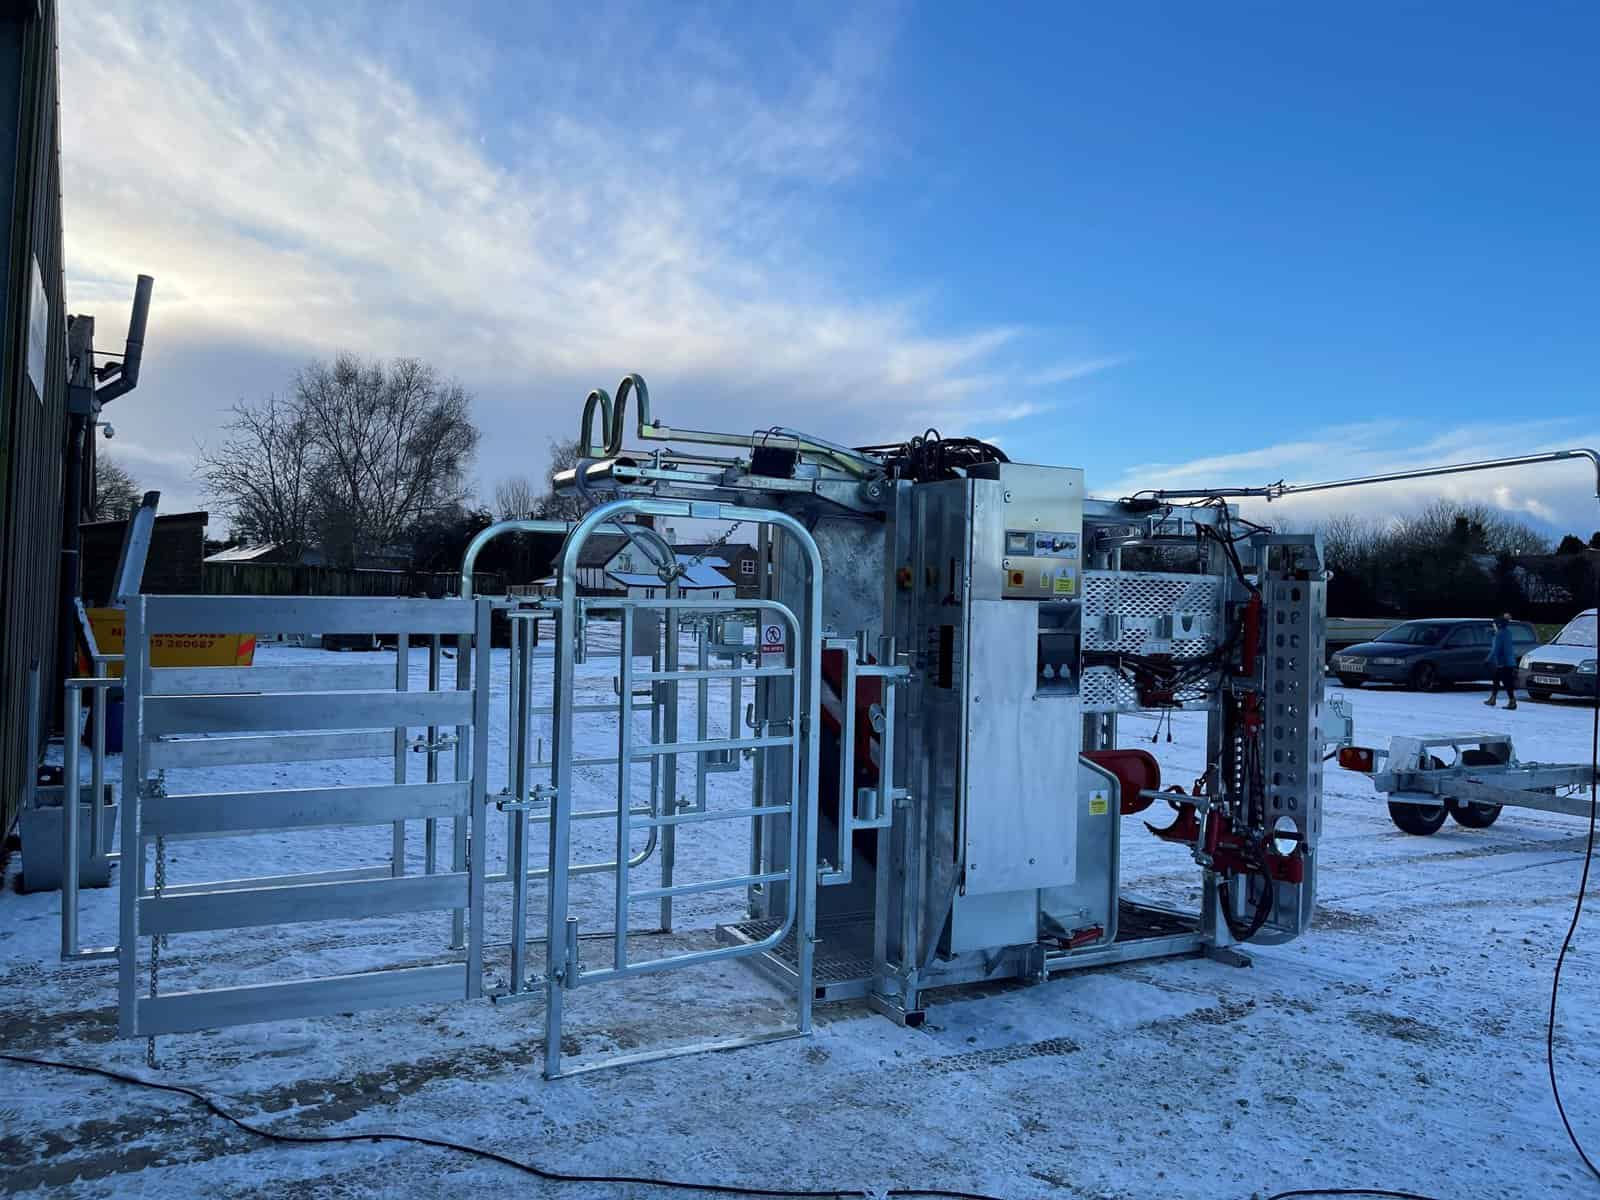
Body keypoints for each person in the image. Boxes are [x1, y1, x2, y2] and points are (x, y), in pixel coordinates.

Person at [1484, 614, 1518, 710]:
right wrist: (1493, 633)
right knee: (1496, 679)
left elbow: (1496, 649)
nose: (1493, 626)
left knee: (1506, 682)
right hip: (1508, 661)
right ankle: (1493, 699)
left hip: (1503, 662)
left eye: (1494, 624)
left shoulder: (1499, 634)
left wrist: (1487, 660)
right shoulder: (1507, 632)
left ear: (1499, 625)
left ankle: (1512, 701)